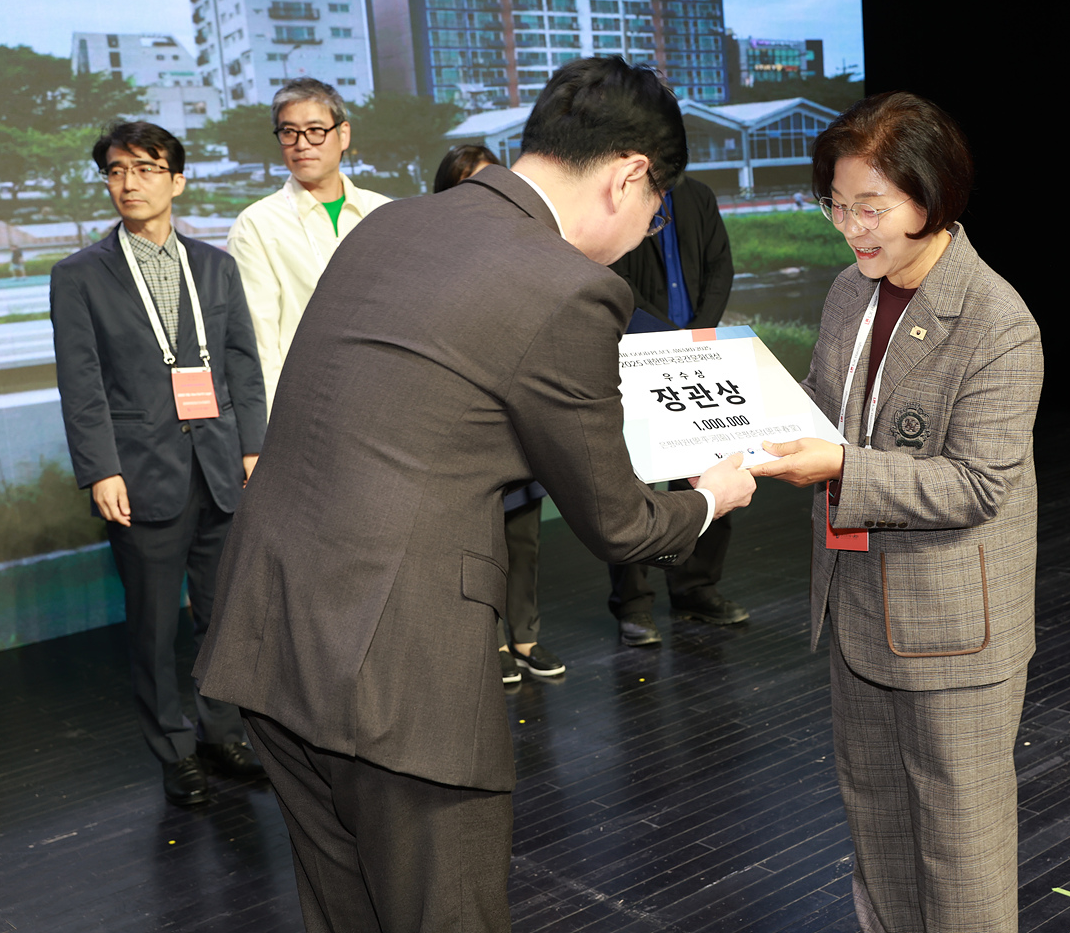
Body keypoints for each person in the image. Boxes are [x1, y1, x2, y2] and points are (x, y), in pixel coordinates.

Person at [194, 57, 756, 932]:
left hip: (270, 636)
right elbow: (618, 521)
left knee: (344, 912)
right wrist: (716, 494)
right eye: (652, 216)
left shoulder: (391, 226)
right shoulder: (566, 286)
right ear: (629, 175)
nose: (647, 234)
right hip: (395, 680)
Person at [751, 92, 1043, 933]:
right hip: (855, 609)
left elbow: (975, 485)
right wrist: (742, 417)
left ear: (932, 195)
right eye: (836, 205)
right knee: (877, 829)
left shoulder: (997, 322)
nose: (852, 227)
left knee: (961, 848)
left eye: (871, 207)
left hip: (953, 630)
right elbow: (825, 407)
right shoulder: (851, 290)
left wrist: (841, 465)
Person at [50, 122, 268, 807]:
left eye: (145, 169)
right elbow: (80, 384)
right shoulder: (79, 276)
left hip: (221, 464)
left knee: (222, 616)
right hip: (139, 475)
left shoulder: (214, 264)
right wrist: (100, 469)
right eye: (116, 171)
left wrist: (254, 443)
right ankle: (174, 750)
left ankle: (221, 732)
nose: (128, 183)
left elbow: (240, 361)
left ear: (177, 180)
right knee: (152, 626)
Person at [432, 143, 566, 685]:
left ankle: (526, 635)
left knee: (524, 538)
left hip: (519, 421)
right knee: (473, 543)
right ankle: (486, 641)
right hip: (462, 427)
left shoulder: (530, 249)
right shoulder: (433, 255)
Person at [604, 174, 743, 645]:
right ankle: (634, 605)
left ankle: (695, 589)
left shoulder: (699, 195)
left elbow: (720, 266)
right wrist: (670, 342)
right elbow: (617, 282)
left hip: (698, 359)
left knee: (709, 473)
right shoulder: (621, 198)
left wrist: (699, 335)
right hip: (638, 355)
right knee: (632, 483)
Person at [227, 78, 392, 416]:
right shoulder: (257, 224)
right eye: (289, 132)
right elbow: (261, 343)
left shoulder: (385, 213)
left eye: (315, 130)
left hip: (385, 400)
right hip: (307, 409)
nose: (302, 144)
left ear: (343, 134)